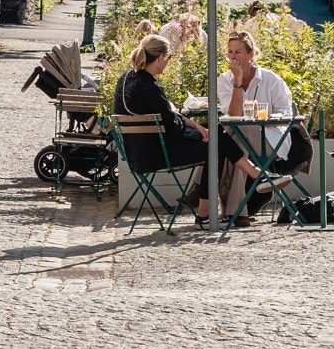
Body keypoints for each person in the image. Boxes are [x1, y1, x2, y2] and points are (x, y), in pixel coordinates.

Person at [112, 34, 273, 229]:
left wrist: (195, 126)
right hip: (157, 154)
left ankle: (252, 176)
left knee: (215, 137)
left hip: (137, 153)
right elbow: (173, 129)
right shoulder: (152, 87)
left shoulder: (126, 80)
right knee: (215, 146)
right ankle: (248, 180)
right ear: (161, 58)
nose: (168, 63)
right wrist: (200, 133)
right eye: (169, 58)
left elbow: (166, 117)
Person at [214, 31, 309, 215]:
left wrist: (261, 119)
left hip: (272, 140)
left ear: (251, 54)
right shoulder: (225, 80)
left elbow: (285, 115)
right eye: (230, 52)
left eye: (238, 52)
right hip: (241, 140)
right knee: (236, 142)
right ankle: (238, 212)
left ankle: (202, 191)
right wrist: (237, 82)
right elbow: (234, 115)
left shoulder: (272, 80)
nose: (232, 57)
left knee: (226, 134)